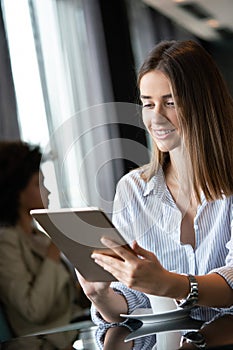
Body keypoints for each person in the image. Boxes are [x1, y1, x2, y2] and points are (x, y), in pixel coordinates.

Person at [78, 40, 233, 349]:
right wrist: (102, 295)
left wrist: (167, 282)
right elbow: (135, 302)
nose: (156, 117)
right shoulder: (133, 189)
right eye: (148, 103)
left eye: (171, 102)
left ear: (204, 104)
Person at [0, 141, 90, 337]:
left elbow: (63, 299)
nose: (47, 191)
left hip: (70, 332)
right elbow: (33, 310)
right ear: (17, 193)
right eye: (38, 183)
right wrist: (53, 252)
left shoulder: (37, 236)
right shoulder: (6, 242)